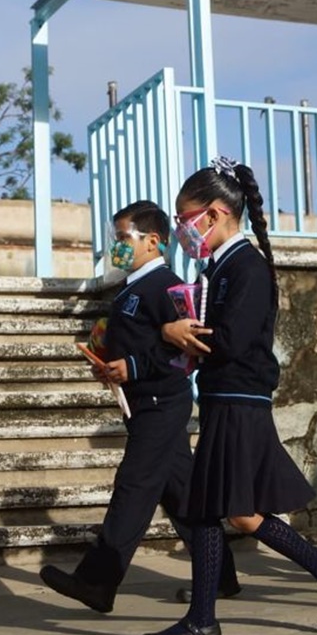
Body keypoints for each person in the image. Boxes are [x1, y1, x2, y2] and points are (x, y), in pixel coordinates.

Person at [140, 157, 317, 635]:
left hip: (240, 401)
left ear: (215, 215)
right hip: (227, 399)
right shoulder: (221, 266)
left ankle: (206, 620)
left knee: (215, 511)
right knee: (227, 511)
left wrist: (177, 335)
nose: (181, 230)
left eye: (185, 218)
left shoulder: (246, 267)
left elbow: (234, 340)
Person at [39, 201, 240, 612]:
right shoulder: (131, 289)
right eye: (116, 239)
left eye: (123, 238)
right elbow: (146, 343)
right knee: (184, 499)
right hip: (144, 401)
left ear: (152, 241)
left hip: (161, 403)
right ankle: (222, 577)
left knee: (133, 488)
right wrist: (111, 365)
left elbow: (185, 351)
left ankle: (97, 581)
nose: (118, 247)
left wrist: (131, 365)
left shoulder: (166, 286)